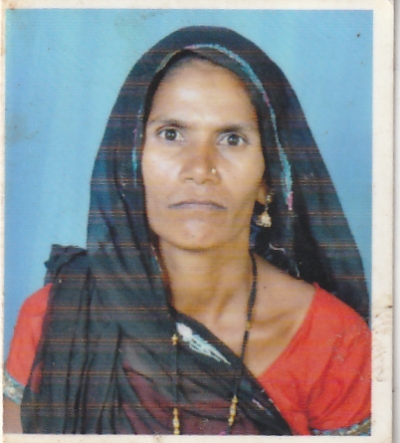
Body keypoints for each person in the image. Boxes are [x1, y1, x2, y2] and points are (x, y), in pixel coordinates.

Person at [3, 26, 371, 435]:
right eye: (172, 134)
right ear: (130, 162)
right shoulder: (56, 318)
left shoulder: (333, 341)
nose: (199, 169)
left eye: (232, 139)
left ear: (269, 178)